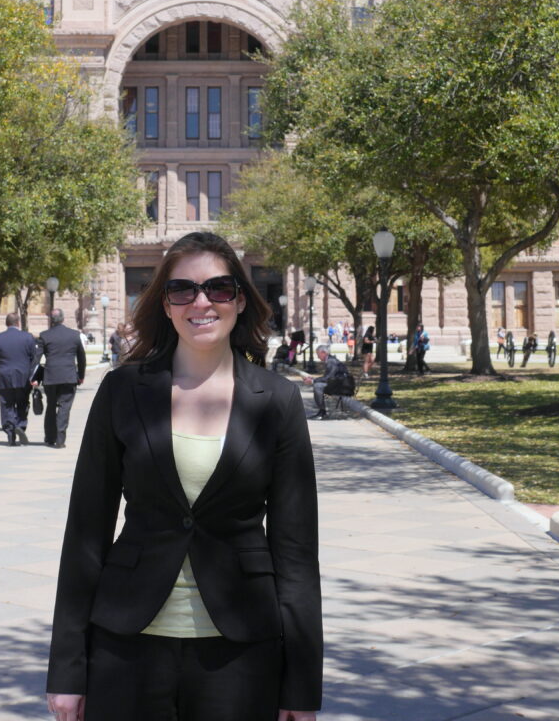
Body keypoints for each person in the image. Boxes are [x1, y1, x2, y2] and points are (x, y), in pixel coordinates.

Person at [45, 231, 322, 721]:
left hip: (240, 649)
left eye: (218, 289)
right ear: (166, 305)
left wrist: (300, 685)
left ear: (239, 299)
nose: (201, 302)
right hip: (126, 645)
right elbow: (86, 533)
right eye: (182, 290)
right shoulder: (123, 390)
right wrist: (67, 670)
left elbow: (296, 552)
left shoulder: (276, 400)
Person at [35, 309, 86, 449]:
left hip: (51, 377)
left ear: (51, 320)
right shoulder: (74, 335)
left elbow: (36, 359)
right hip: (69, 377)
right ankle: (60, 439)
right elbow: (81, 358)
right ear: (63, 319)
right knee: (64, 407)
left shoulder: (45, 336)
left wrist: (33, 377)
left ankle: (49, 437)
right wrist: (81, 376)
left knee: (51, 406)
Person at [0, 312, 38, 446]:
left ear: (6, 323)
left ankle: (10, 433)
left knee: (6, 405)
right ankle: (20, 426)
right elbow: (34, 359)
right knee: (22, 403)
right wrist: (34, 376)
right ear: (18, 323)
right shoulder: (28, 337)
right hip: (23, 377)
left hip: (4, 377)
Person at [310, 344, 342, 419]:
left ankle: (322, 412)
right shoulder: (330, 360)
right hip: (338, 383)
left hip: (341, 386)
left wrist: (313, 380)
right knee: (317, 384)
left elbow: (329, 378)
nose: (318, 357)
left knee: (317, 386)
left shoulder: (331, 361)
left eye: (318, 354)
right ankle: (321, 411)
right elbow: (328, 377)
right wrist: (314, 380)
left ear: (323, 353)